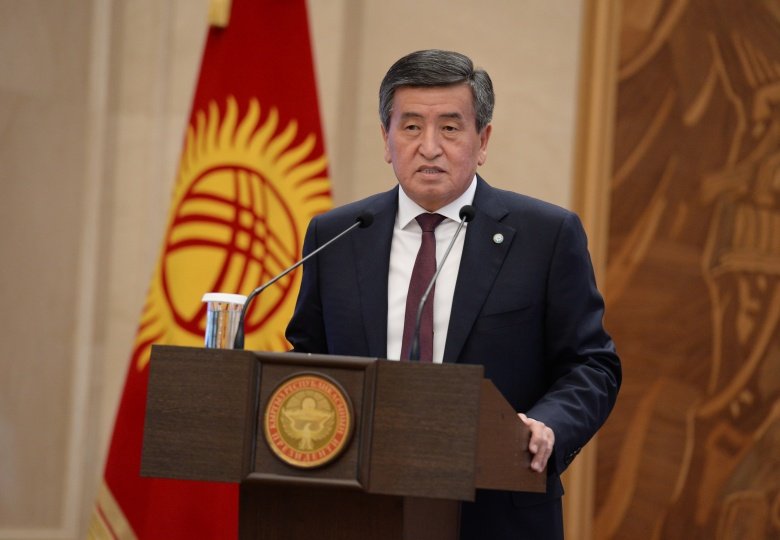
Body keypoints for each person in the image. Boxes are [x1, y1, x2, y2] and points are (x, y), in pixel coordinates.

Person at [285, 49, 621, 539]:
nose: (429, 147)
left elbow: (592, 365)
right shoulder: (337, 235)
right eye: (411, 127)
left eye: (449, 127)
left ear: (482, 141)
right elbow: (308, 359)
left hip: (497, 513)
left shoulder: (546, 236)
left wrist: (547, 425)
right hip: (356, 510)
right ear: (386, 139)